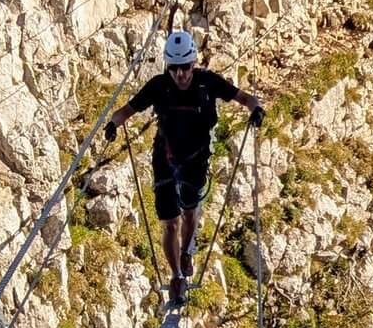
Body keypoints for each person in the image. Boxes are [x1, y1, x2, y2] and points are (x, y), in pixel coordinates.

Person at [105, 29, 264, 305]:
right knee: (170, 224)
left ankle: (187, 251)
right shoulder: (158, 86)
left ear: (194, 63)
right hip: (165, 158)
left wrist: (256, 109)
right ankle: (177, 274)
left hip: (196, 160)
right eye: (175, 68)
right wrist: (112, 125)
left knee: (190, 215)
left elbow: (246, 99)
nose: (180, 74)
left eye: (185, 67)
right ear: (169, 67)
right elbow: (126, 111)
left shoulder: (207, 83)